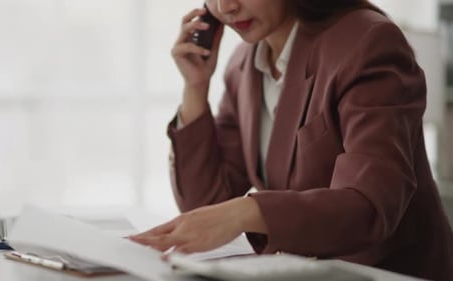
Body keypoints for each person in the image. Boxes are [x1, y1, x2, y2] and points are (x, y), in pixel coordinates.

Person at [130, 0, 453, 280]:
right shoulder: (244, 64)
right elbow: (207, 205)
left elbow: (368, 205)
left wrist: (246, 211)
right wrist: (195, 88)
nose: (226, 7)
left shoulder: (366, 40)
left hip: (383, 272)